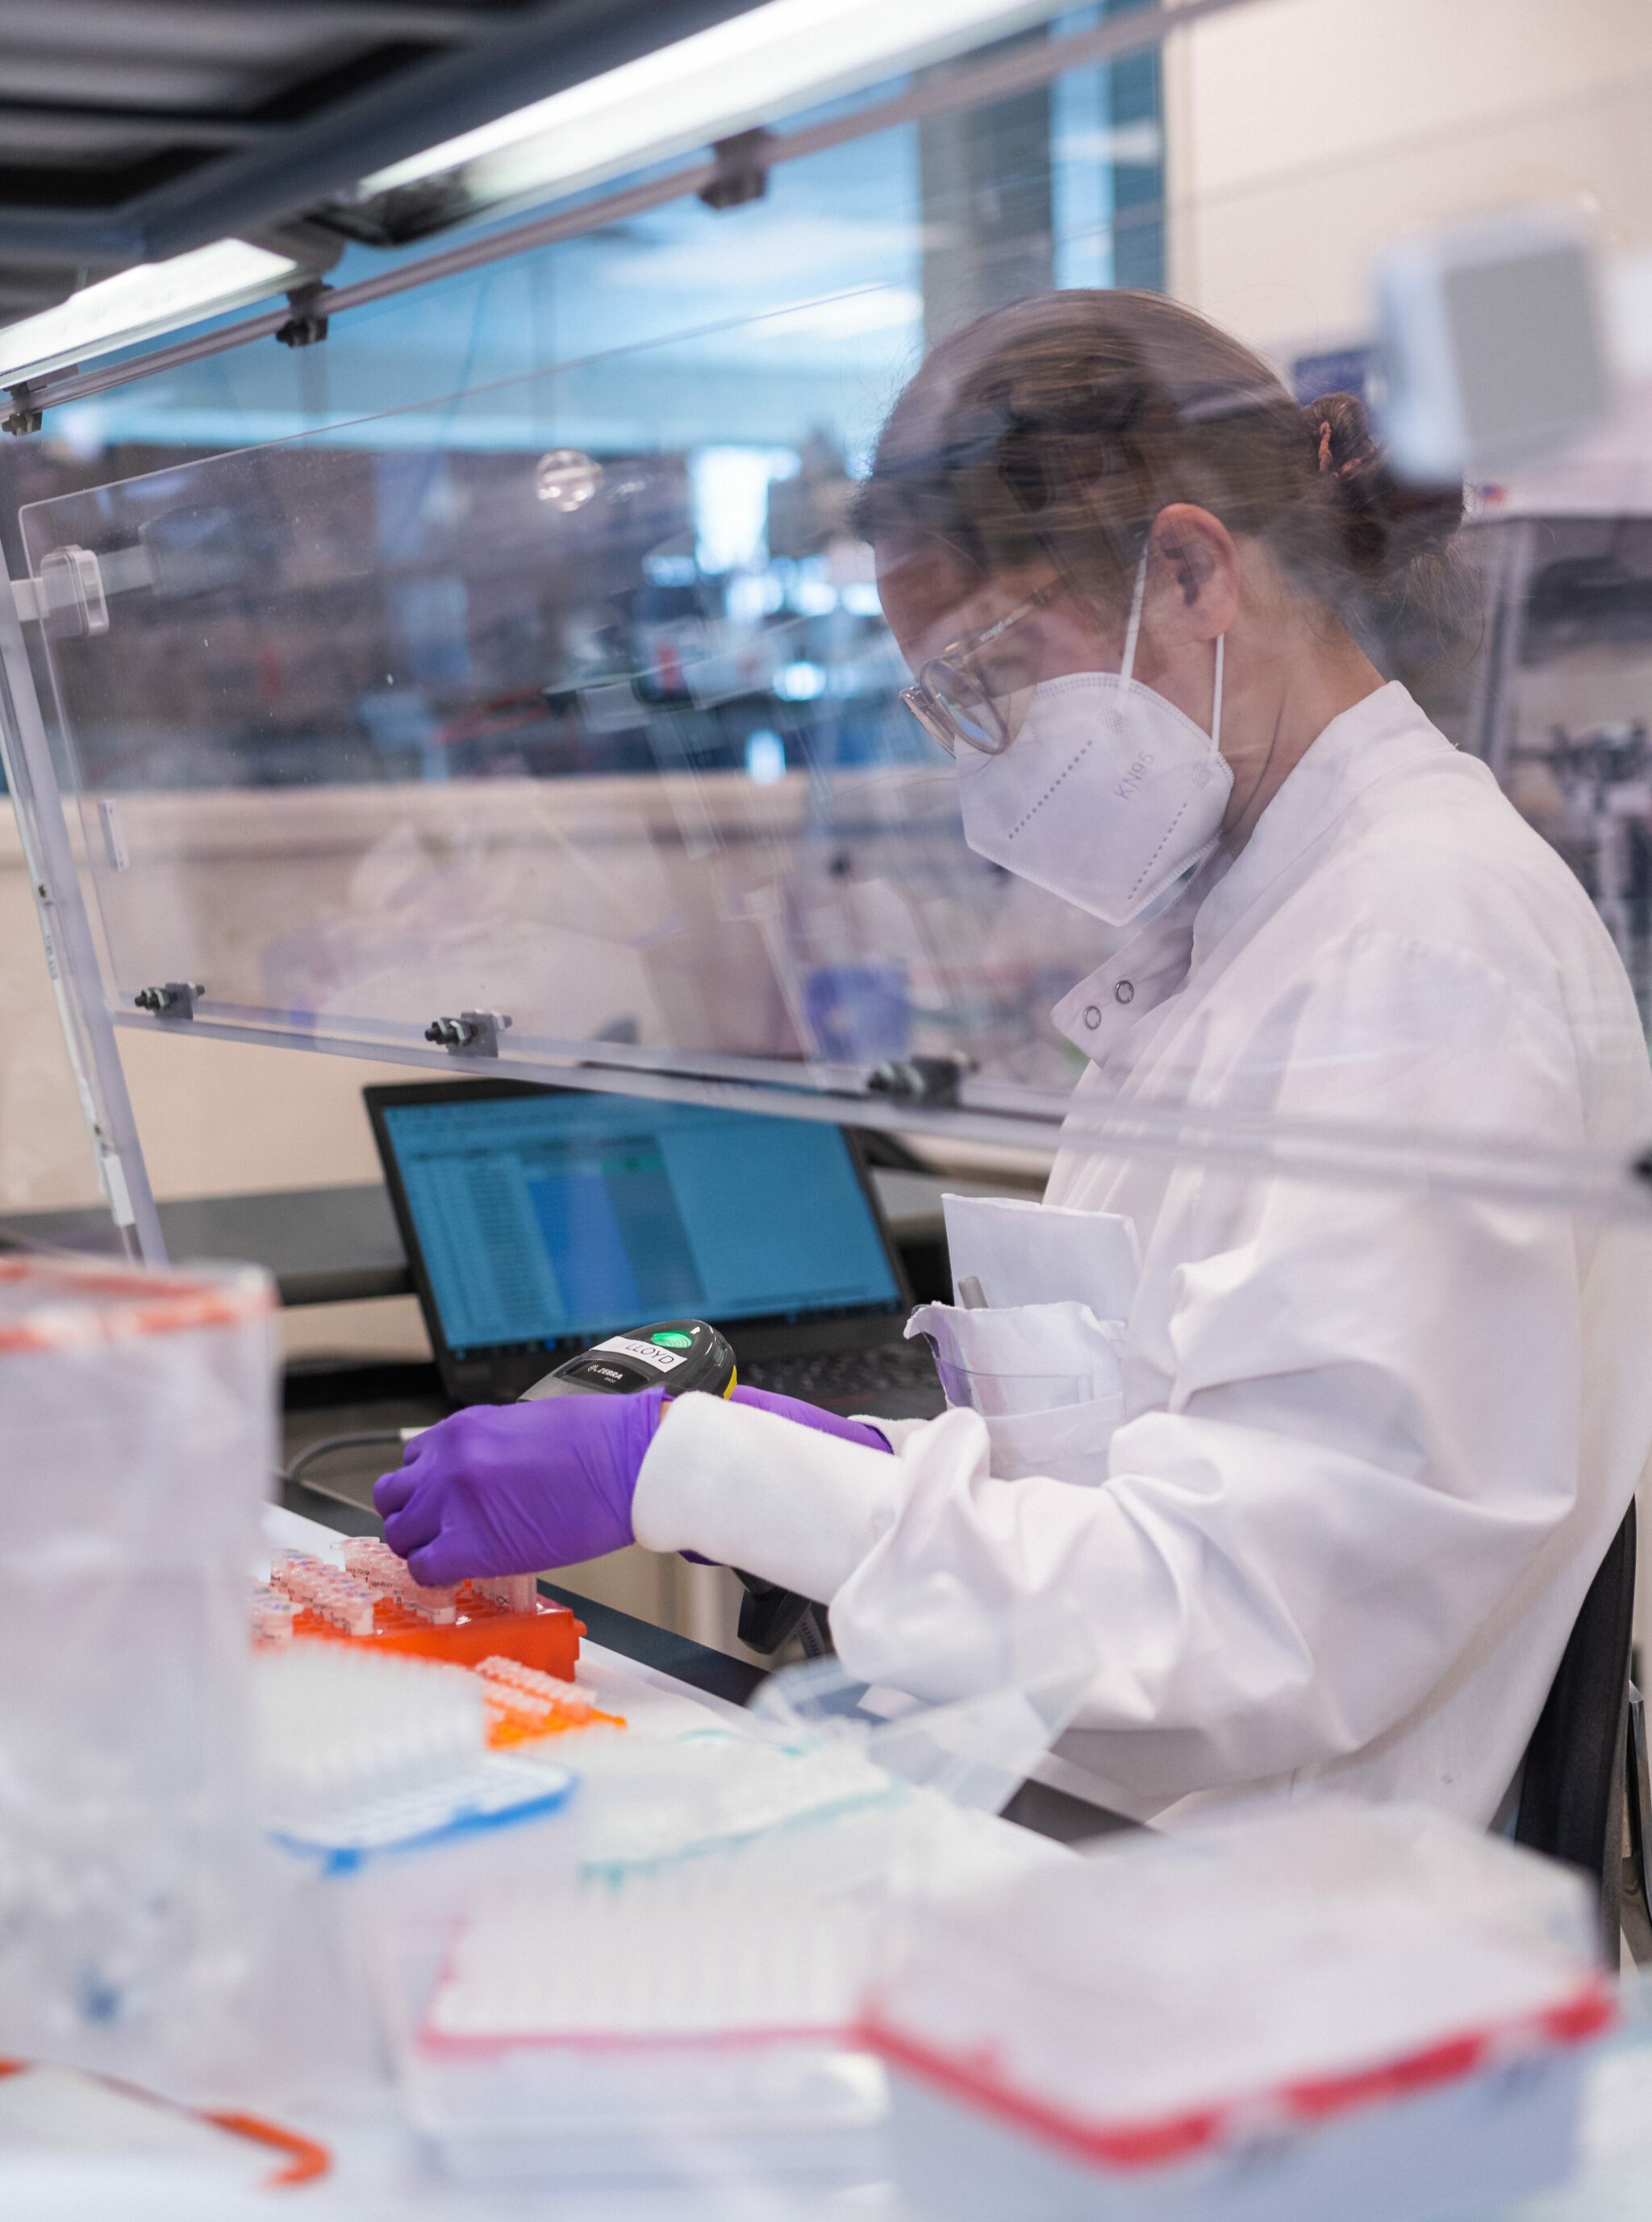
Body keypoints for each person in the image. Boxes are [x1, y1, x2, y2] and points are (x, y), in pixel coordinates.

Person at [374, 290, 1652, 1828]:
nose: (976, 753)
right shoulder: (1247, 923)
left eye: (987, 675)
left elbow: (1257, 1615)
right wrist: (838, 1464)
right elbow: (1154, 1457)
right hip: (1101, 1826)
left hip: (1270, 1934)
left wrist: (703, 1476)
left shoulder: (1420, 941)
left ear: (1189, 573)